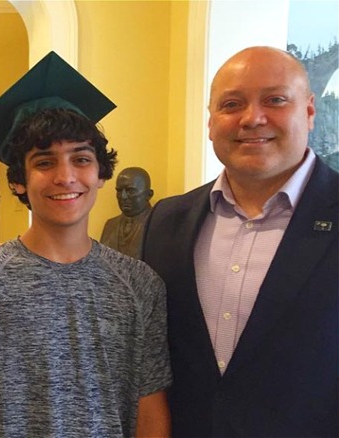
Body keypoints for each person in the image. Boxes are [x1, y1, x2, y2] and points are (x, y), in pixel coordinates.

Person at [0, 51, 172, 437]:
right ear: (19, 181)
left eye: (81, 159)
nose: (66, 177)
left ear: (101, 173)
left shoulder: (139, 284)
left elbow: (149, 406)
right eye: (45, 163)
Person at [142, 46, 338, 437]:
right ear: (211, 122)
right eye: (232, 104)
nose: (252, 118)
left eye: (275, 100)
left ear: (310, 111)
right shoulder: (165, 222)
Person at [100, 167, 153, 259]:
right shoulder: (110, 225)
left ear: (149, 194)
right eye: (119, 191)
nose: (123, 197)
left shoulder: (157, 225)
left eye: (130, 191)